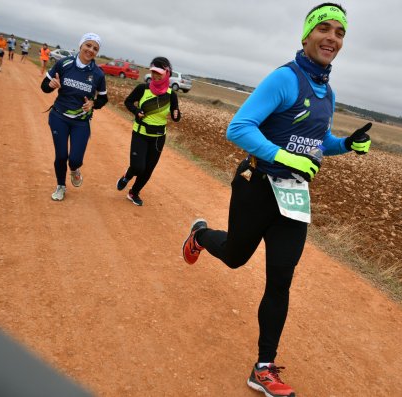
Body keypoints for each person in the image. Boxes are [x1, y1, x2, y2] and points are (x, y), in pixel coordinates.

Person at [181, 3, 372, 396]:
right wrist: (284, 156)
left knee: (280, 281)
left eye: (340, 33)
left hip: (294, 198)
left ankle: (264, 367)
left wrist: (347, 145)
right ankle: (201, 236)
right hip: (257, 186)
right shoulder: (285, 79)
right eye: (325, 29)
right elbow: (238, 128)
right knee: (235, 257)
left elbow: (316, 146)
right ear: (306, 36)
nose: (332, 38)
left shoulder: (328, 93)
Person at [40, 33, 108, 201]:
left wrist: (93, 104)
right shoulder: (64, 64)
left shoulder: (98, 74)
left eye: (95, 48)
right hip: (59, 117)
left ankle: (75, 169)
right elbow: (44, 87)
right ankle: (60, 186)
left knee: (75, 159)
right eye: (88, 45)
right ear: (81, 46)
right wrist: (51, 85)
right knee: (61, 155)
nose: (90, 50)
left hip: (81, 122)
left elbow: (103, 99)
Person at [116, 57, 181, 206]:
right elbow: (128, 102)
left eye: (159, 73)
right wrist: (136, 111)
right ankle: (128, 175)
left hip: (158, 137)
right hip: (140, 133)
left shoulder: (171, 95)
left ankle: (134, 193)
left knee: (148, 170)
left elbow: (175, 113)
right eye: (153, 72)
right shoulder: (142, 89)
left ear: (167, 74)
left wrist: (176, 114)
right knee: (138, 167)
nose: (155, 76)